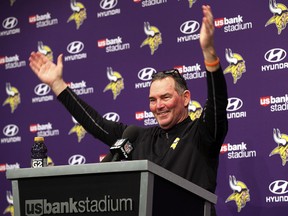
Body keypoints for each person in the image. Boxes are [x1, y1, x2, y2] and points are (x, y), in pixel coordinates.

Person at [29, 5, 228, 215]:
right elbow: (96, 124)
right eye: (153, 100)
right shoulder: (136, 137)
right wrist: (58, 85)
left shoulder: (202, 134)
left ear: (186, 98)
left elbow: (217, 105)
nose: (158, 106)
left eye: (165, 97)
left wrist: (209, 54)